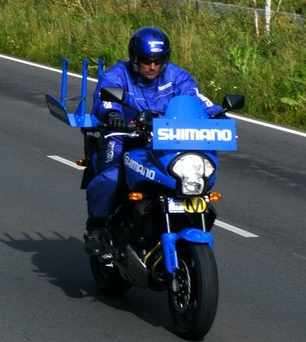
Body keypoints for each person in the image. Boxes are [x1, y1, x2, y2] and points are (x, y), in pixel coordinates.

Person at [84, 26, 223, 256]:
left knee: (187, 174)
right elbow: (105, 98)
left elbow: (197, 98)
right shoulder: (117, 75)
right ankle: (96, 227)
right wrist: (113, 116)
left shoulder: (176, 77)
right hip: (123, 135)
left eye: (158, 61)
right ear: (135, 58)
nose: (152, 66)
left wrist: (218, 114)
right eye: (147, 60)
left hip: (163, 140)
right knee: (111, 176)